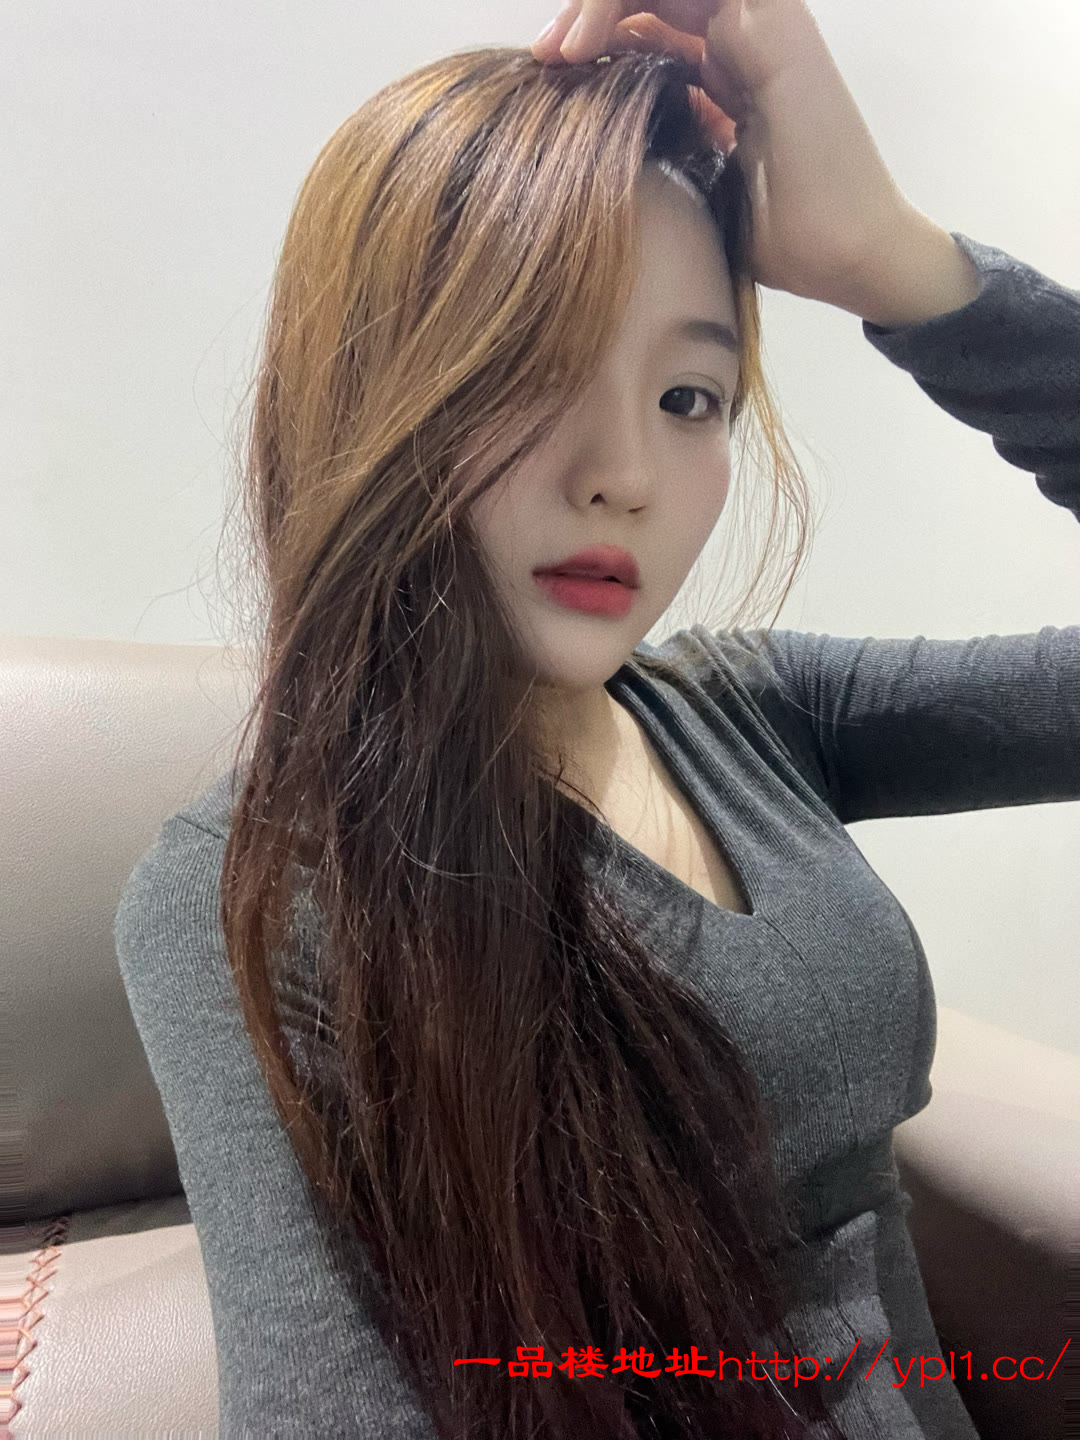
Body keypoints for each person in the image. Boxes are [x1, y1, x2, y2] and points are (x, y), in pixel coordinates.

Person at [113, 3, 1080, 1437]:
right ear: (368, 394)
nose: (625, 471)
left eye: (691, 395)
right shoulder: (262, 888)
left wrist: (899, 262)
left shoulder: (757, 710)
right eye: (530, 370)